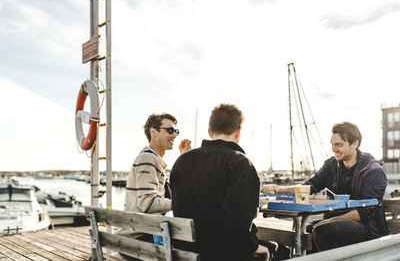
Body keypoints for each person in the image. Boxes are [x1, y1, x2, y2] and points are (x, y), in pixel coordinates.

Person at [170, 104, 270, 261]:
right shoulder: (240, 163)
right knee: (276, 250)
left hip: (186, 253)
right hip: (224, 254)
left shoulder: (181, 161)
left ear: (210, 132)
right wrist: (254, 246)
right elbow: (237, 225)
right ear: (238, 132)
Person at [276, 121, 388, 251]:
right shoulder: (331, 165)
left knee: (323, 231)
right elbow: (312, 185)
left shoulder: (372, 171)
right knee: (302, 230)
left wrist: (332, 220)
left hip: (367, 227)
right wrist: (282, 190)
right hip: (337, 222)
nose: (334, 149)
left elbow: (365, 211)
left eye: (339, 145)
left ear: (355, 144)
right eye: (333, 144)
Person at [123, 113, 191, 241]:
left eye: (176, 131)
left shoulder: (152, 159)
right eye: (170, 130)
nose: (174, 135)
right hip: (141, 237)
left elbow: (168, 192)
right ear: (153, 131)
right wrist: (182, 203)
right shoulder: (147, 158)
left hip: (143, 234)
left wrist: (182, 158)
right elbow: (147, 204)